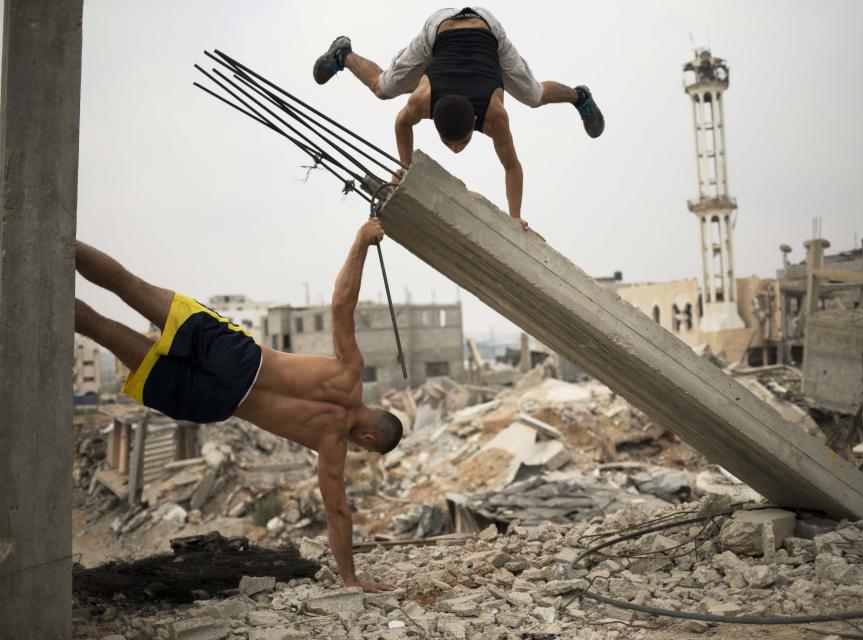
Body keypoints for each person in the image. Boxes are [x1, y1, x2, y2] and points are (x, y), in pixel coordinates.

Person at [74, 219, 398, 593]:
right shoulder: (331, 443)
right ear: (370, 437)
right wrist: (351, 578)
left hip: (239, 357)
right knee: (102, 330)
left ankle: (51, 245)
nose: (361, 450)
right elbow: (338, 511)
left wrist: (361, 241)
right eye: (367, 449)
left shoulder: (349, 373)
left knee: (129, 286)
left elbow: (342, 302)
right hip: (219, 400)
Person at [312, 6, 604, 231]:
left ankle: (580, 97)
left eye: (461, 143)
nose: (455, 149)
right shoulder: (421, 101)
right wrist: (406, 168)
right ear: (432, 119)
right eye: (450, 143)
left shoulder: (494, 116)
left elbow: (512, 166)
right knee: (383, 88)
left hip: (488, 29)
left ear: (477, 126)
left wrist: (515, 217)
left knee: (535, 96)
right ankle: (342, 54)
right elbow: (402, 122)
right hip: (439, 29)